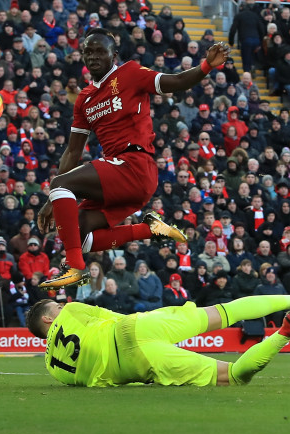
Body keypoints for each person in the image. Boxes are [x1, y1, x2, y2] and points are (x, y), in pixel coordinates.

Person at [37, 29, 229, 290]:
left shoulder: (130, 73)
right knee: (73, 231)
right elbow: (72, 152)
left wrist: (206, 65)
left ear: (113, 55)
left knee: (61, 186)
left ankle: (76, 268)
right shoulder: (84, 99)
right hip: (120, 177)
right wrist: (56, 193)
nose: (92, 56)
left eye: (99, 51)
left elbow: (176, 81)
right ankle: (149, 230)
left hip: (135, 165)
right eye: (88, 52)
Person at [26, 291, 290, 387]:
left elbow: (99, 382)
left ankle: (285, 331)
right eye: (57, 306)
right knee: (223, 312)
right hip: (134, 328)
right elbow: (113, 318)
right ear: (48, 319)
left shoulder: (55, 371)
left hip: (135, 365)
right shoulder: (73, 311)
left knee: (233, 377)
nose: (63, 305)